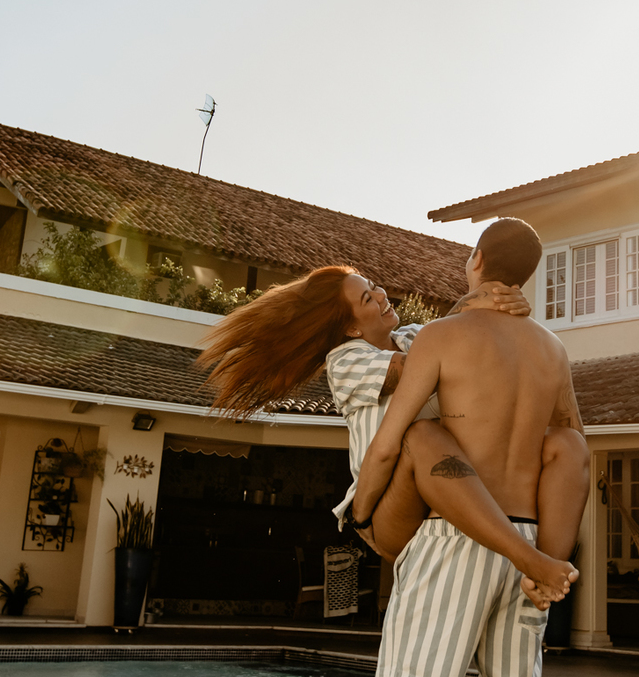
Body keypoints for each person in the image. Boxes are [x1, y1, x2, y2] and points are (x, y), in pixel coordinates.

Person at [347, 217, 590, 677]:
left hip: (458, 533)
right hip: (528, 543)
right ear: (527, 276)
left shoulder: (444, 338)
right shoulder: (552, 351)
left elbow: (392, 439)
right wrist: (549, 554)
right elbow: (570, 449)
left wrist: (362, 510)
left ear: (476, 260)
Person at [197, 259, 586, 604]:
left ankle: (544, 580)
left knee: (565, 443)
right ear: (351, 326)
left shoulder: (412, 335)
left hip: (443, 491)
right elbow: (427, 361)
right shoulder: (345, 360)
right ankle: (530, 560)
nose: (382, 295)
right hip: (385, 508)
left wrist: (494, 305)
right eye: (368, 298)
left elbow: (453, 337)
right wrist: (480, 301)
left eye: (374, 286)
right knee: (423, 437)